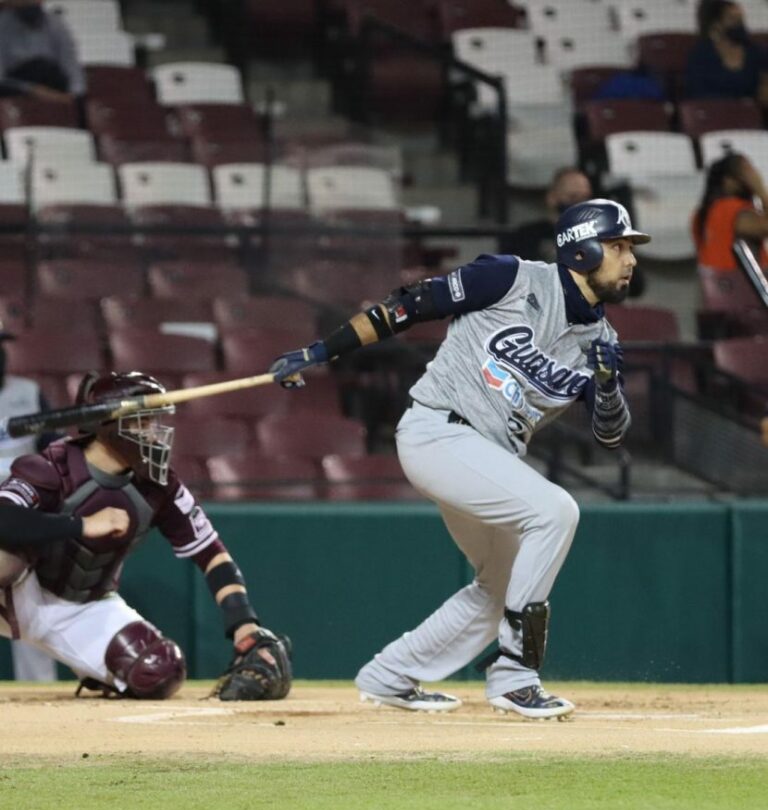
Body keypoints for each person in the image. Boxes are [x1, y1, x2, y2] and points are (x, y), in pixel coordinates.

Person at [269, 198, 645, 720]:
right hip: (439, 431)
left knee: (500, 586)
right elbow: (409, 305)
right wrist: (321, 352)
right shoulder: (511, 278)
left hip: (489, 461)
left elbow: (610, 434)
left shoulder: (600, 339)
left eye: (630, 248)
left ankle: (390, 674)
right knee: (556, 512)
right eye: (618, 246)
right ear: (580, 248)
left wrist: (606, 385)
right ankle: (515, 677)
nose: (630, 260)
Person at [0, 370, 291, 701]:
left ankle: (101, 671)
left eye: (153, 421)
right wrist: (80, 525)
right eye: (141, 422)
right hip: (21, 588)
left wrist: (243, 623)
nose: (153, 432)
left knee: (158, 670)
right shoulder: (53, 466)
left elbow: (212, 554)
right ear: (108, 426)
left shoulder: (159, 485)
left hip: (84, 606)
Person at [0, 322, 59, 680]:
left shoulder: (28, 392)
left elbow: (54, 447)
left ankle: (39, 696)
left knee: (26, 606)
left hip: (20, 508)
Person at [500, 168, 646, 298]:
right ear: (552, 198)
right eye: (573, 197)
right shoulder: (525, 236)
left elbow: (636, 286)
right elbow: (513, 282)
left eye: (586, 199)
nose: (580, 205)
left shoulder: (600, 239)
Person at [692, 152, 768, 270]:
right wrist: (761, 189)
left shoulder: (701, 213)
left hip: (720, 285)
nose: (754, 176)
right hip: (742, 284)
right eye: (747, 173)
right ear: (728, 181)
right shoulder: (730, 209)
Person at [684, 1, 768, 107]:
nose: (739, 24)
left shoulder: (756, 52)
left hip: (751, 117)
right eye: (732, 19)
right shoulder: (700, 56)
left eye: (741, 19)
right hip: (714, 117)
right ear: (715, 24)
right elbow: (697, 95)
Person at [0, 0, 85, 102]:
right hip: (17, 89)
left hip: (54, 83)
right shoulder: (3, 25)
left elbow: (70, 64)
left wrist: (74, 95)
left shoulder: (55, 24)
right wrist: (31, 89)